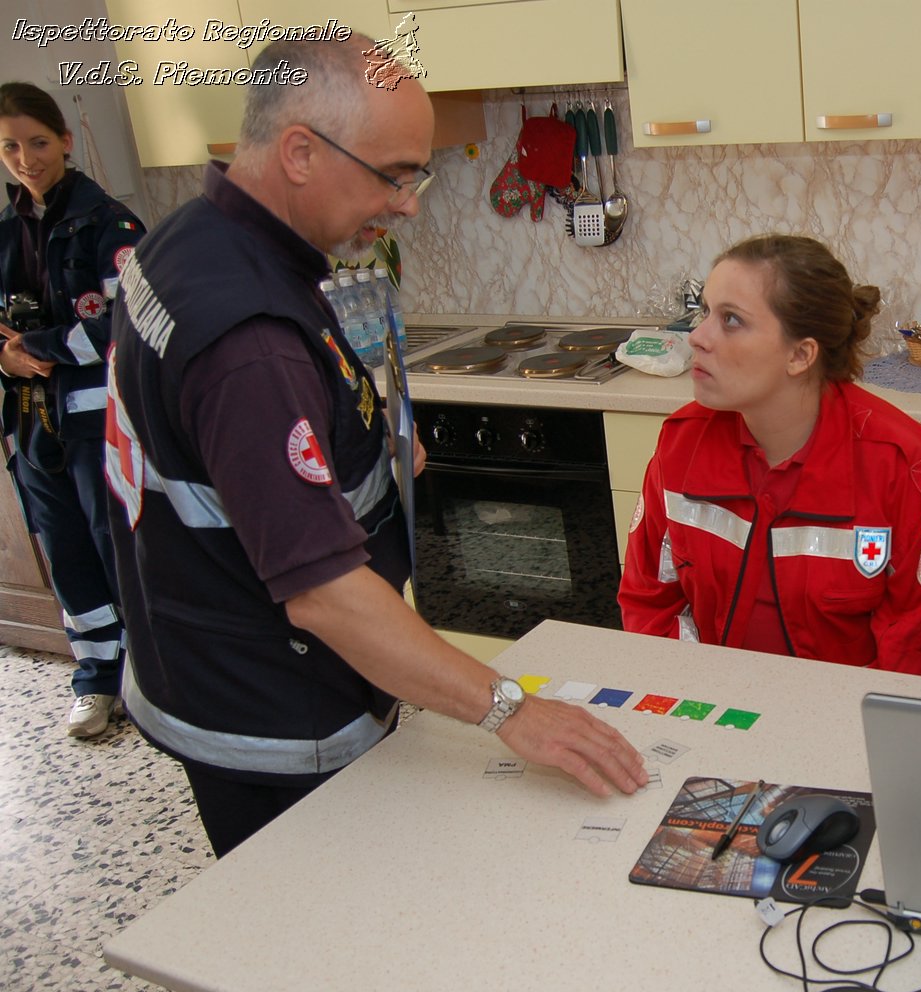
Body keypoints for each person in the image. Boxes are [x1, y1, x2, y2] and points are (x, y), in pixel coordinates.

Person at [105, 35, 648, 868]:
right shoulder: (249, 340)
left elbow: (225, 452)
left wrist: (364, 449)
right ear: (299, 152)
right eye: (395, 174)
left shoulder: (189, 238)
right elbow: (325, 596)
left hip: (193, 652)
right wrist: (512, 709)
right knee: (308, 961)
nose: (409, 205)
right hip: (277, 707)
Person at [619, 234, 921, 677]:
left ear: (800, 354)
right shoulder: (682, 444)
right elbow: (648, 603)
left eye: (730, 320)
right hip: (709, 706)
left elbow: (917, 659)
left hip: (845, 727)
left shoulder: (908, 472)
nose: (697, 336)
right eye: (704, 311)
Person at [0, 82, 144, 738]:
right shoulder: (5, 235)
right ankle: (94, 679)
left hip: (99, 422)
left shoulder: (109, 223)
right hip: (32, 421)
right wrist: (9, 359)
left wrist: (38, 346)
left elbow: (128, 324)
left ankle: (147, 677)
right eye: (9, 147)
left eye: (37, 142)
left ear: (64, 140)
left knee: (120, 549)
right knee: (65, 554)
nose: (26, 158)